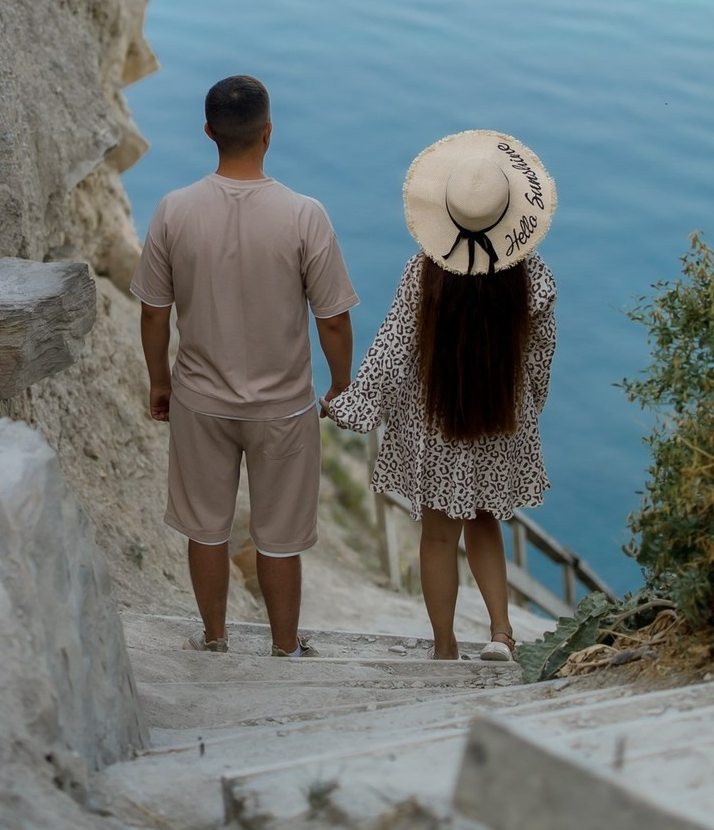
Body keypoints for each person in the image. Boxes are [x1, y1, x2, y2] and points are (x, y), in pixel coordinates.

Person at [130, 75, 358, 657]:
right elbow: (332, 319)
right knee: (279, 538)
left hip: (200, 401)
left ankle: (214, 639)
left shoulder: (173, 210)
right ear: (268, 132)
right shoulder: (305, 215)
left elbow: (154, 312)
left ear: (209, 132)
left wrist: (160, 380)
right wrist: (340, 384)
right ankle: (284, 648)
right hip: (282, 407)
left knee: (205, 527)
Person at [323, 130, 556, 661]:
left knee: (437, 537)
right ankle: (501, 634)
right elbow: (540, 362)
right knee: (485, 522)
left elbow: (392, 351)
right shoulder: (534, 279)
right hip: (498, 418)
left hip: (436, 426)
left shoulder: (423, 273)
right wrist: (527, 412)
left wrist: (350, 404)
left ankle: (445, 647)